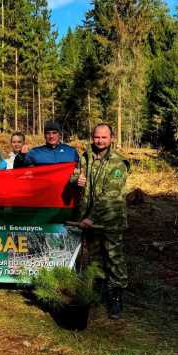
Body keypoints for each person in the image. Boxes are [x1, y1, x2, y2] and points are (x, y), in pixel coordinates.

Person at [71, 124, 129, 320]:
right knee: (95, 258)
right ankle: (97, 294)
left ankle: (116, 299)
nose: (100, 141)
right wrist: (75, 180)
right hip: (90, 220)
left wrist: (91, 217)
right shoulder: (86, 156)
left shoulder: (118, 163)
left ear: (111, 138)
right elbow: (75, 175)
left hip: (110, 220)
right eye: (97, 137)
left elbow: (108, 196)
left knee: (114, 259)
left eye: (104, 137)